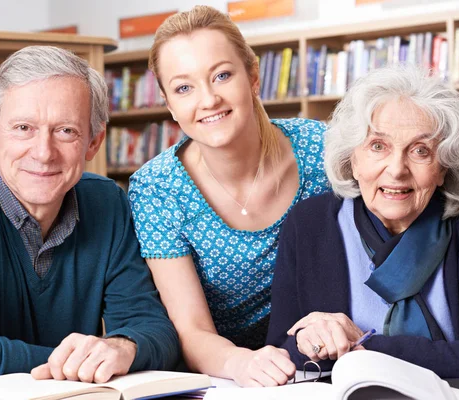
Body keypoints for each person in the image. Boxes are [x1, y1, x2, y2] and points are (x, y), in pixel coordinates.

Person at [0, 46, 179, 399]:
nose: (43, 152)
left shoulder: (108, 202)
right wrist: (85, 365)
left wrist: (122, 347)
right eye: (23, 128)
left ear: (94, 142)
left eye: (65, 131)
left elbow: (155, 329)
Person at [266, 65, 459, 378]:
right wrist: (310, 341)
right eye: (378, 146)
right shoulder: (308, 224)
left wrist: (371, 348)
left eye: (420, 150)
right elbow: (283, 348)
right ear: (353, 159)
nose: (397, 169)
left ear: (443, 166)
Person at [128, 6, 330, 387]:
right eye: (184, 87)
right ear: (170, 104)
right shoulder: (157, 190)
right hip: (224, 378)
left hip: (325, 363)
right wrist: (241, 364)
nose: (208, 100)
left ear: (253, 77)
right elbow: (190, 331)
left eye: (221, 75)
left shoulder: (321, 148)